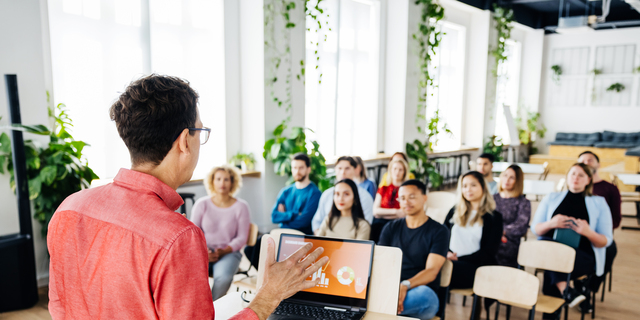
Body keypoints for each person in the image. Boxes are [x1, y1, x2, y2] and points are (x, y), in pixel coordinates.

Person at [47, 75, 328, 320]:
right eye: (200, 131)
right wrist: (269, 296)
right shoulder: (177, 237)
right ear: (184, 140)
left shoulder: (69, 208)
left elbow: (60, 306)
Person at [530, 163, 613, 319]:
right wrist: (551, 223)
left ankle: (564, 294)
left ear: (588, 180)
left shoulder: (599, 203)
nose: (576, 178)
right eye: (573, 174)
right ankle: (567, 291)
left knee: (552, 268)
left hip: (582, 257)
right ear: (567, 177)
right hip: (552, 255)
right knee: (552, 257)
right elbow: (536, 229)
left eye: (581, 175)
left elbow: (605, 241)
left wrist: (588, 232)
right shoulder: (551, 198)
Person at [379, 180, 449, 320]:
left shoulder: (439, 231)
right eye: (402, 198)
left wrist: (404, 286)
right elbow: (380, 263)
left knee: (425, 297)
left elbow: (432, 271)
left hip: (418, 291)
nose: (406, 202)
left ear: (424, 198)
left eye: (412, 197)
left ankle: (381, 309)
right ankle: (387, 309)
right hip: (391, 289)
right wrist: (393, 289)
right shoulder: (390, 228)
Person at [244, 153, 322, 270]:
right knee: (252, 248)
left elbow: (304, 221)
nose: (297, 171)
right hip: (282, 233)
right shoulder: (286, 191)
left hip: (301, 235)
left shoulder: (314, 193)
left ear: (308, 169)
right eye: (294, 168)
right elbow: (274, 216)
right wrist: (294, 214)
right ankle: (268, 277)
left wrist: (284, 216)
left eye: (301, 167)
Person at [190, 165, 251, 301]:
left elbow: (242, 238)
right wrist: (204, 251)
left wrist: (223, 251)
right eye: (218, 179)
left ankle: (211, 309)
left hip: (229, 253)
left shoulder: (241, 206)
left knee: (223, 278)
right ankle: (197, 307)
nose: (222, 183)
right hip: (202, 251)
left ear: (232, 182)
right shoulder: (202, 204)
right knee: (189, 274)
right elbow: (193, 233)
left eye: (226, 180)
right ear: (212, 182)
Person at [444, 171, 503, 290]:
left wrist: (459, 259)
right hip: (450, 261)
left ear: (483, 187)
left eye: (473, 185)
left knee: (439, 272)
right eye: (464, 186)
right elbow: (441, 235)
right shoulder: (454, 211)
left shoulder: (494, 217)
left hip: (476, 266)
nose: (468, 189)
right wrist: (447, 252)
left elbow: (489, 252)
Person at [577, 151, 620, 312]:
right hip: (577, 233)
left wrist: (594, 230)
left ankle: (588, 288)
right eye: (583, 161)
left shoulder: (610, 189)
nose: (587, 162)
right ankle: (573, 287)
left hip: (600, 235)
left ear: (598, 165)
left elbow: (616, 219)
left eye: (590, 160)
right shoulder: (575, 186)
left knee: (609, 250)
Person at [312, 156, 374, 233]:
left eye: (347, 168)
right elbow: (317, 222)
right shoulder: (327, 194)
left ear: (355, 170)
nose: (343, 172)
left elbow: (366, 225)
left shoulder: (365, 196)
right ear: (335, 170)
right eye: (339, 168)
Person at [493, 164, 531, 268]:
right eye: (505, 175)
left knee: (499, 248)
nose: (507, 180)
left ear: (517, 181)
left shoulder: (523, 202)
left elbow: (521, 225)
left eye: (512, 177)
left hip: (509, 240)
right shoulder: (492, 199)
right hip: (491, 236)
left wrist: (500, 232)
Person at [371, 158, 411, 242]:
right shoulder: (383, 188)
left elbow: (404, 213)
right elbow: (375, 211)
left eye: (400, 169)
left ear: (404, 172)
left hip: (399, 224)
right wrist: (396, 212)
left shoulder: (407, 190)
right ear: (390, 170)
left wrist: (382, 214)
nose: (397, 172)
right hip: (380, 224)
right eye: (395, 169)